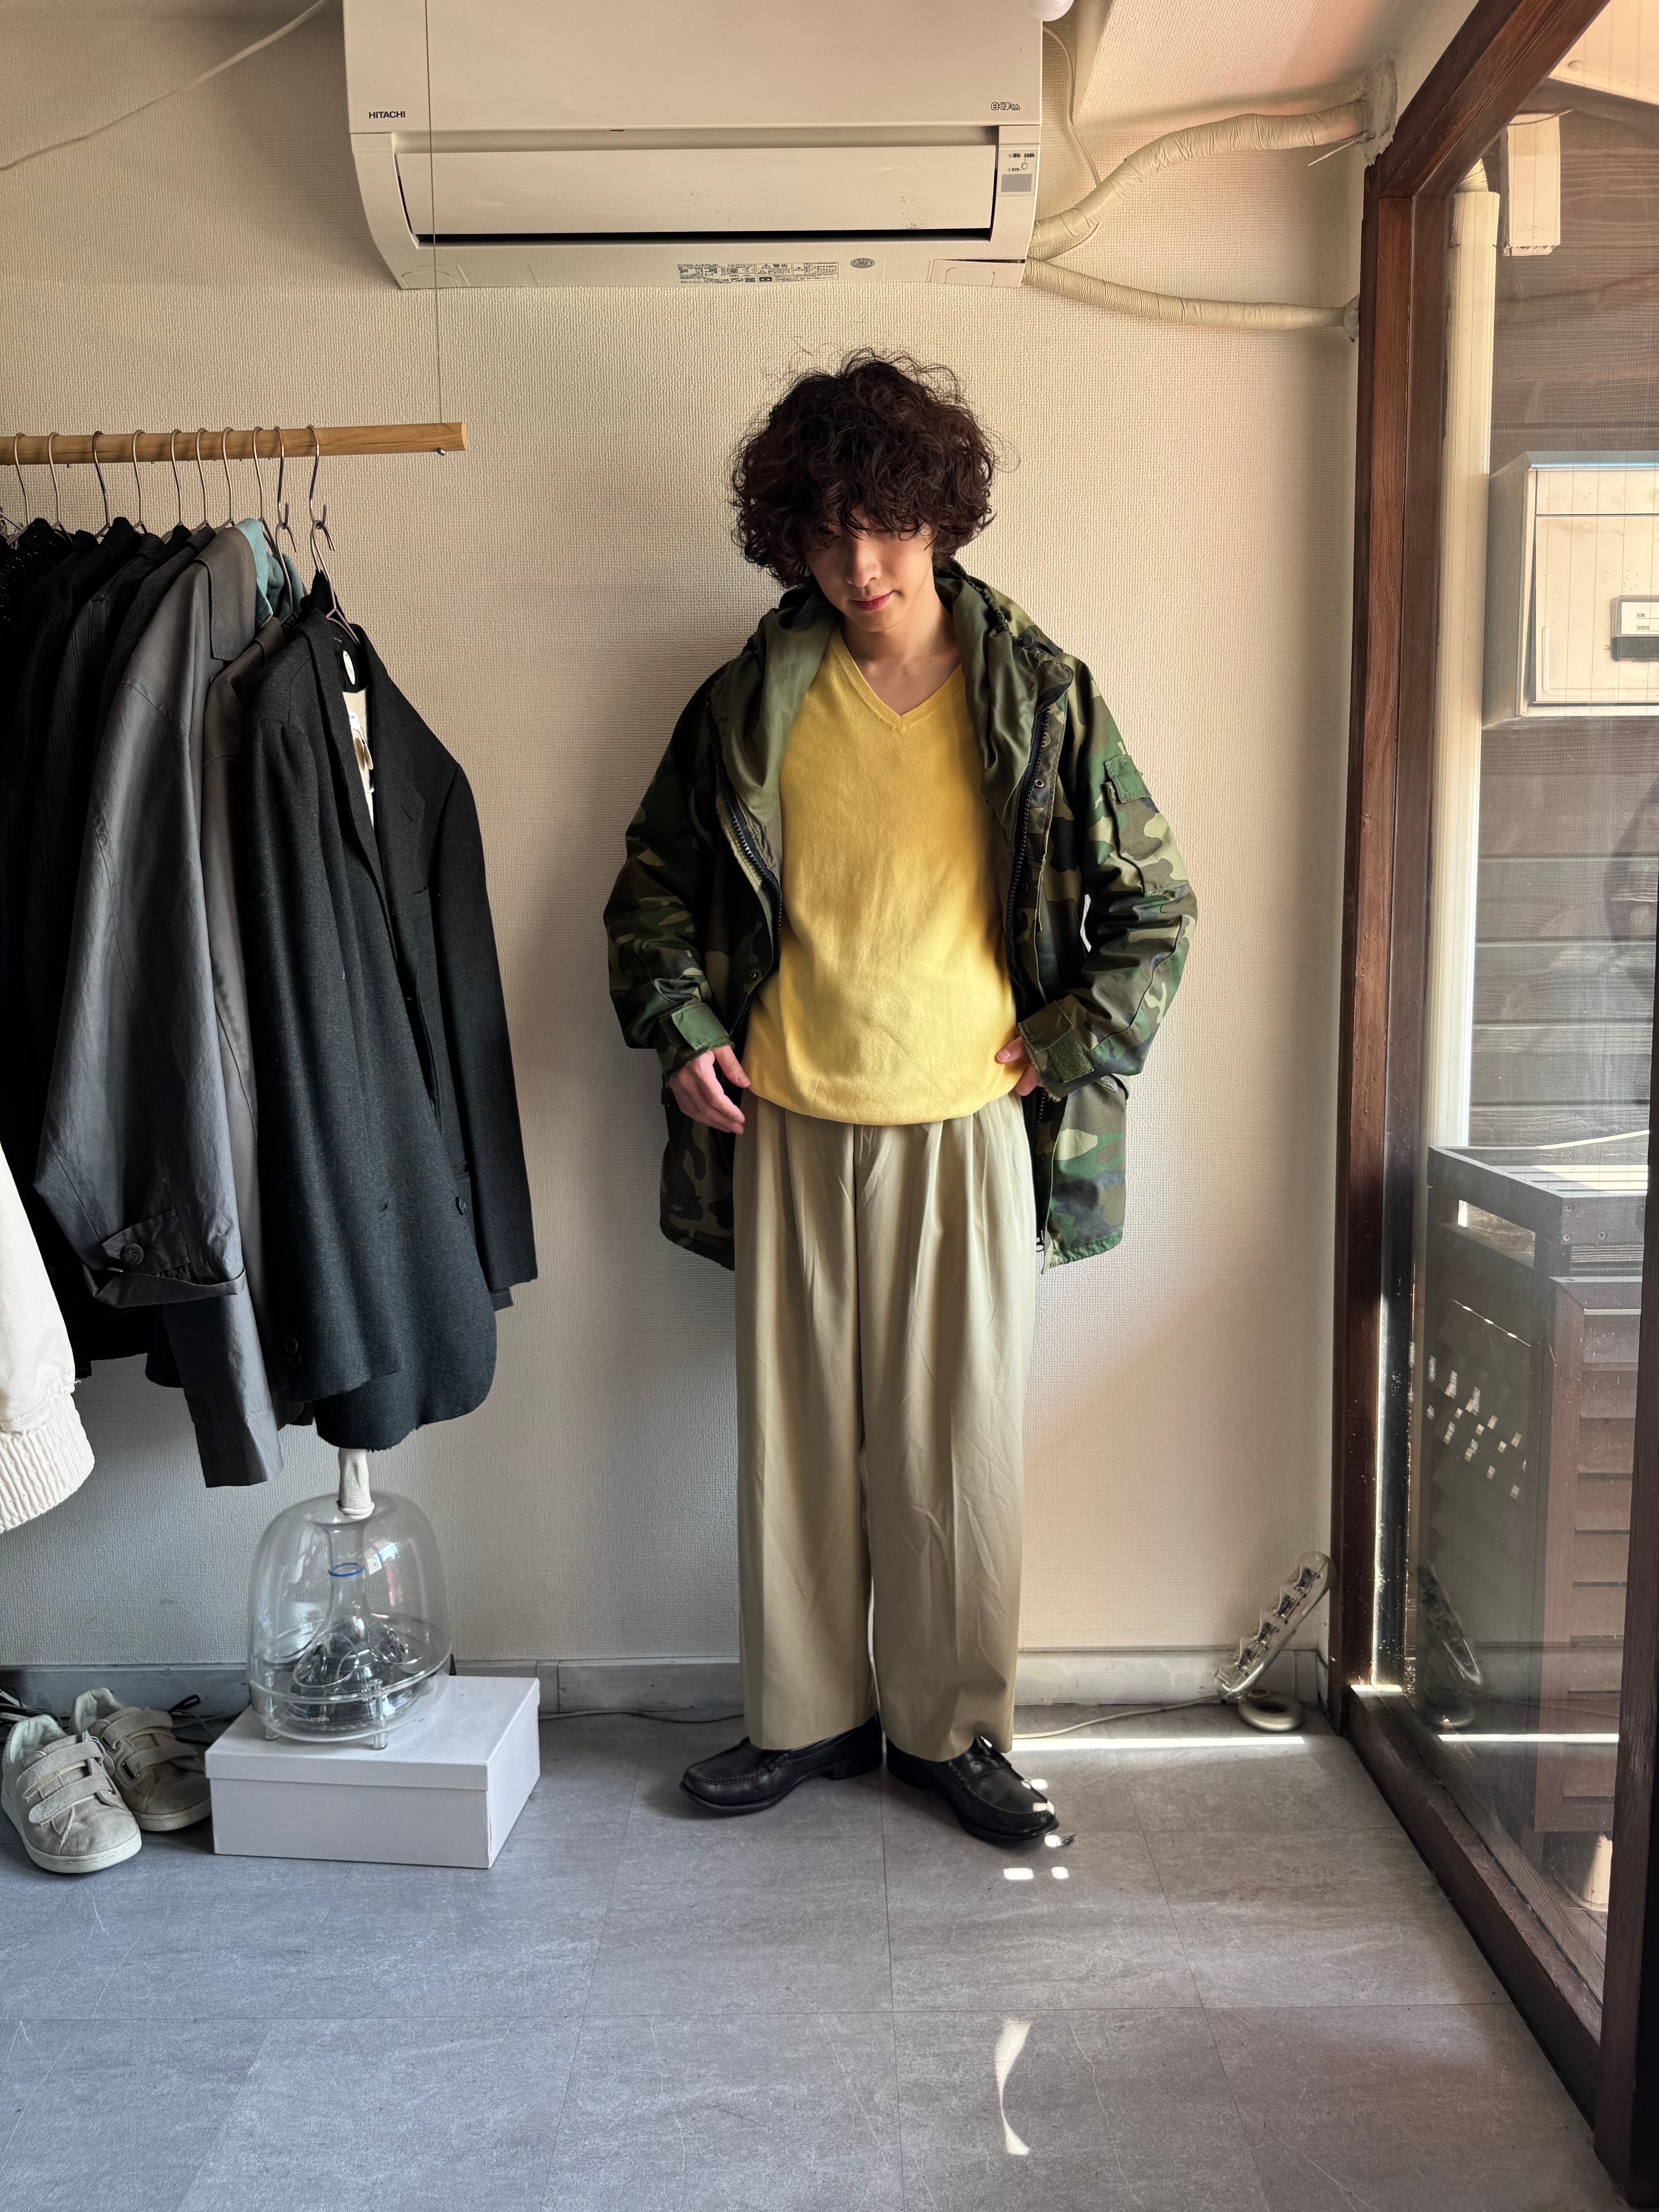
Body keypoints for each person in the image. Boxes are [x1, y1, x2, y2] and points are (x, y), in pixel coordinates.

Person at [605, 351, 1195, 1844]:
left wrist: (1068, 1041)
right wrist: (678, 1025)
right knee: (795, 1451)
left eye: (886, 524)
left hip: (966, 1129)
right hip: (787, 1123)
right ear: (789, 540)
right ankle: (807, 1718)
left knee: (956, 1455)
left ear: (938, 513)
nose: (860, 564)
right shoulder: (748, 703)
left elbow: (1155, 910)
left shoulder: (1039, 699)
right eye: (825, 534)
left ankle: (955, 1732)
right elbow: (653, 884)